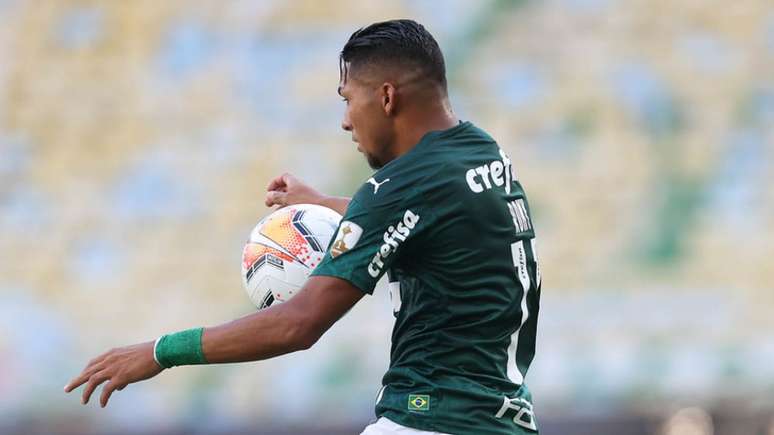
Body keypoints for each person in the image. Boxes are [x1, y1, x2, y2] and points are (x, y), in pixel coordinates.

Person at [65, 19, 542, 435]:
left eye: (348, 99)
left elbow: (299, 324)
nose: (345, 122)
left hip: (429, 420)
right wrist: (322, 203)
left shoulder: (399, 187)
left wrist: (161, 351)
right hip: (502, 421)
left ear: (387, 97)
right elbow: (423, 218)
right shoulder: (481, 153)